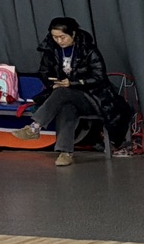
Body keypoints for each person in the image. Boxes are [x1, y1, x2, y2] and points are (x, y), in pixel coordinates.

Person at [13, 16, 127, 165]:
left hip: (94, 98)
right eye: (55, 37)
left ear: (73, 34)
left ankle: (35, 127)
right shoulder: (52, 50)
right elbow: (43, 72)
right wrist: (51, 83)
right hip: (65, 95)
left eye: (62, 37)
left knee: (62, 92)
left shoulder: (88, 50)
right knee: (67, 108)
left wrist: (73, 83)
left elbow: (99, 78)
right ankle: (65, 153)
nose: (59, 41)